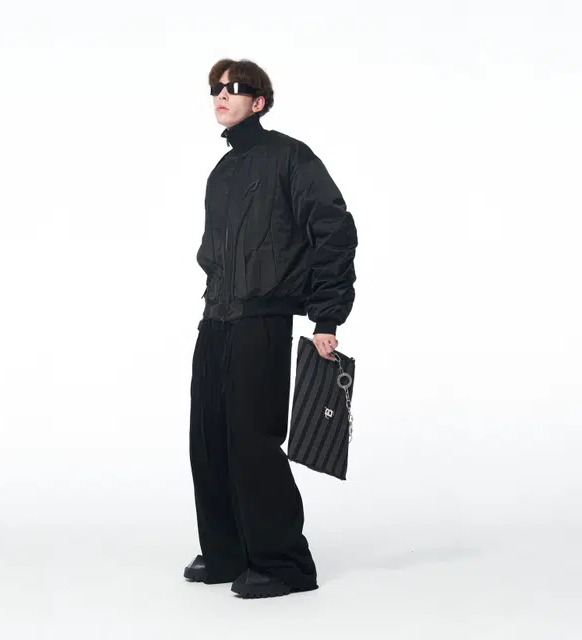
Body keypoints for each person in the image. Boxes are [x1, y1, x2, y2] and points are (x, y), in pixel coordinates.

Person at [184, 58, 358, 598]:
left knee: (253, 441)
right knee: (208, 439)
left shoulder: (290, 157)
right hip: (216, 319)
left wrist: (326, 315)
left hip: (263, 318)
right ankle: (227, 553)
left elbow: (334, 228)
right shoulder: (222, 172)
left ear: (258, 101)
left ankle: (284, 564)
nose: (221, 95)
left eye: (233, 88)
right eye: (215, 88)